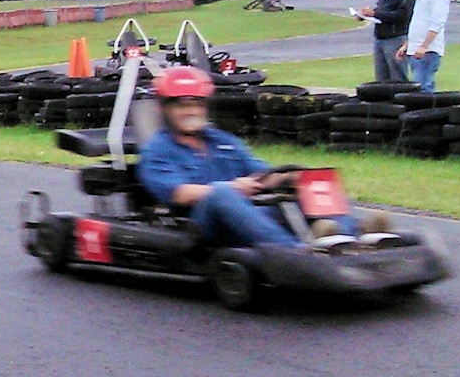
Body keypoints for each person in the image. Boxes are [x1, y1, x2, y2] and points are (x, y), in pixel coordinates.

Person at [138, 66, 375, 249]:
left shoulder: (221, 140)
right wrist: (233, 187)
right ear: (164, 109)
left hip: (248, 214)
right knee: (221, 194)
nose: (191, 111)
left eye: (197, 105)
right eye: (182, 106)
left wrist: (288, 178)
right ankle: (295, 251)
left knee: (312, 179)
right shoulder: (157, 150)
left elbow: (260, 173)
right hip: (200, 223)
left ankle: (349, 236)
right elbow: (178, 193)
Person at [355, 0, 417, 82]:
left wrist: (375, 13)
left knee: (398, 77)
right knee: (381, 79)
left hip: (396, 37)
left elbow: (404, 14)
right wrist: (366, 14)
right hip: (380, 36)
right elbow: (383, 8)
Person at [396, 0, 449, 92]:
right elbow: (419, 22)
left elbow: (437, 22)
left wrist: (424, 46)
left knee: (423, 89)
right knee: (417, 89)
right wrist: (407, 45)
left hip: (427, 51)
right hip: (416, 49)